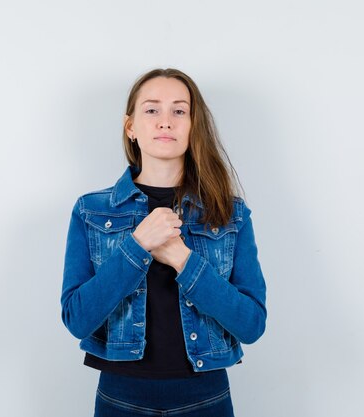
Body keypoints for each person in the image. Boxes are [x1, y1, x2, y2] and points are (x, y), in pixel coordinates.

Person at [60, 68, 267, 417]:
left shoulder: (230, 213)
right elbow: (77, 319)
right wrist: (137, 246)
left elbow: (251, 325)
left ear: (193, 125)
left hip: (206, 398)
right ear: (131, 127)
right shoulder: (90, 211)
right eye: (152, 110)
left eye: (179, 111)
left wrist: (184, 261)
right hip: (119, 399)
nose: (165, 122)